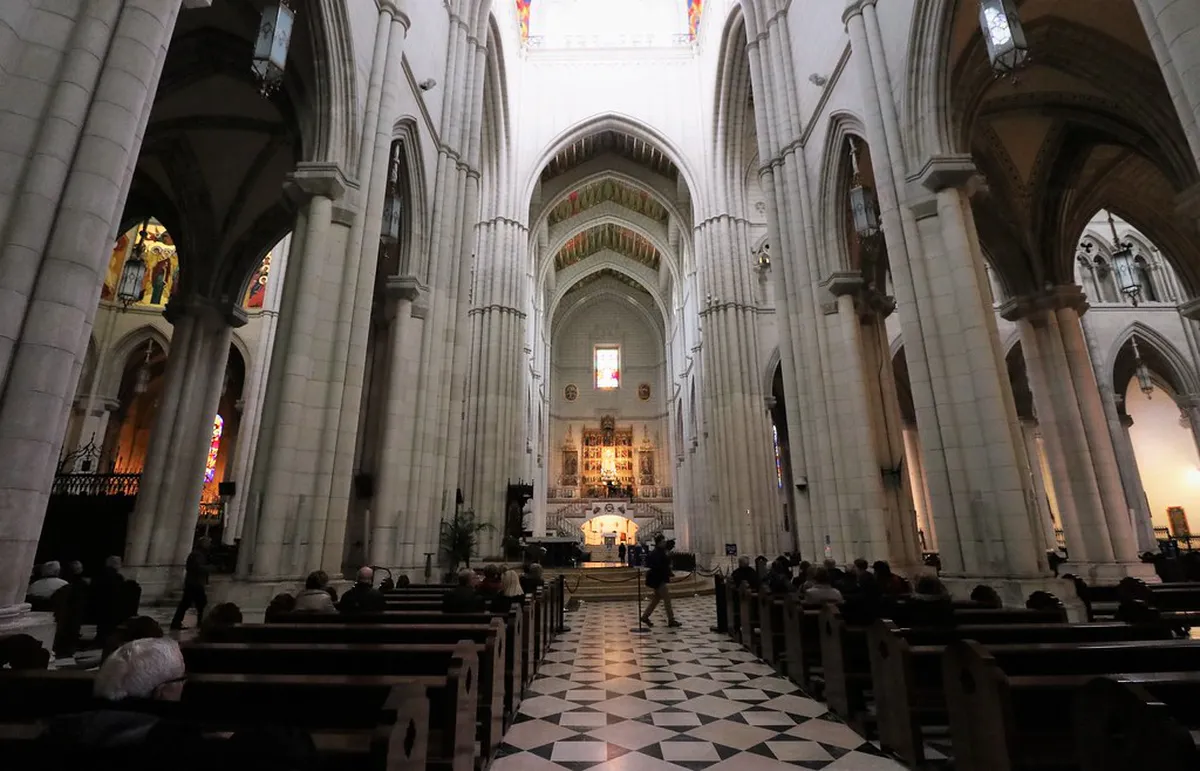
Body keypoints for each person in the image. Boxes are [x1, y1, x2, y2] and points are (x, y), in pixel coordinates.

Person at [39, 637, 213, 771]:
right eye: (182, 679)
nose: (184, 685)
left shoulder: (60, 729)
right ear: (161, 690)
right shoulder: (177, 741)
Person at [170, 536, 211, 630]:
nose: (209, 545)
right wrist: (210, 568)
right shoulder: (197, 555)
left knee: (190, 604)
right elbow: (198, 567)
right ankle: (200, 623)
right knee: (200, 604)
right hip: (195, 584)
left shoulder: (199, 554)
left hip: (193, 583)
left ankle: (177, 622)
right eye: (208, 543)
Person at [640, 535, 681, 627]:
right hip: (658, 580)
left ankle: (645, 617)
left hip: (657, 579)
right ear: (659, 542)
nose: (664, 543)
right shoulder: (656, 553)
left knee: (656, 599)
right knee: (667, 600)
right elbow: (659, 566)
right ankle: (671, 620)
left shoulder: (659, 551)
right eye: (663, 541)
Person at [90, 555, 127, 644]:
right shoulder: (118, 577)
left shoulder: (99, 575)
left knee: (101, 625)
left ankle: (100, 639)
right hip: (112, 606)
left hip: (100, 604)